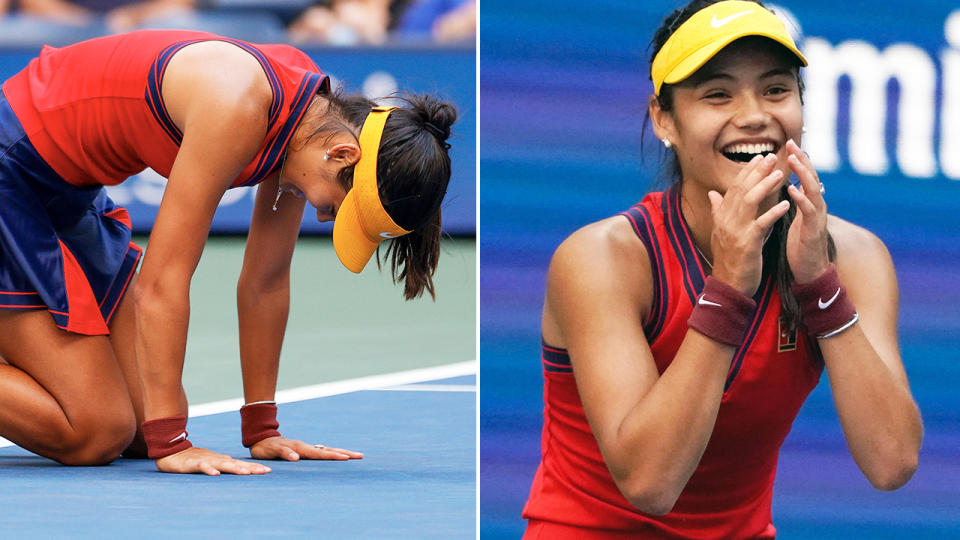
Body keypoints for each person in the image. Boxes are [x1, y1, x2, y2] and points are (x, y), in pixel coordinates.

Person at [521, 1, 922, 537]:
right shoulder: (604, 258)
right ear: (665, 119)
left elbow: (892, 461)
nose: (754, 114)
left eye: (776, 90)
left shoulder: (853, 257)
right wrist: (729, 288)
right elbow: (650, 482)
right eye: (717, 93)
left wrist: (821, 288)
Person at [0, 29, 455, 475]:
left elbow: (266, 279)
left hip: (66, 196)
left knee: (141, 430)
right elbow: (161, 283)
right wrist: (173, 444)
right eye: (336, 207)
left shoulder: (314, 127)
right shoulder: (237, 106)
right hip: (11, 175)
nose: (322, 217)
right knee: (95, 433)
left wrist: (262, 429)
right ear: (342, 155)